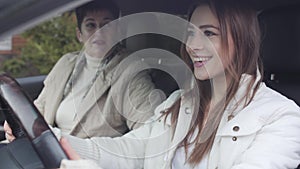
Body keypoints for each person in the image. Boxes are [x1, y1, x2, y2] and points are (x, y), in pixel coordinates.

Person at [57, 0, 300, 168]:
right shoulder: (180, 102)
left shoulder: (282, 117)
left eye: (209, 33)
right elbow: (127, 151)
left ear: (241, 38)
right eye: (191, 33)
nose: (192, 45)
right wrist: (55, 139)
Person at [4, 0, 164, 141]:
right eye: (90, 25)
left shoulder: (131, 70)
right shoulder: (66, 62)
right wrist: (19, 123)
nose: (99, 32)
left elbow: (148, 131)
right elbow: (40, 107)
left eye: (107, 24)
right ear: (79, 34)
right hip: (47, 150)